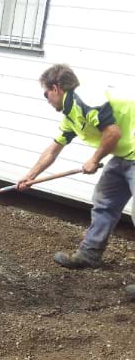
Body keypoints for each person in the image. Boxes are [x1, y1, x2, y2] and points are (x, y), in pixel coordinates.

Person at [17, 64, 135, 299]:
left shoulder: (87, 100)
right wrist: (31, 176)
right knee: (104, 202)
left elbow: (113, 133)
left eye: (46, 94)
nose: (46, 100)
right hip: (125, 155)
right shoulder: (70, 113)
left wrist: (94, 159)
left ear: (56, 88)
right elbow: (54, 149)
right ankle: (90, 254)